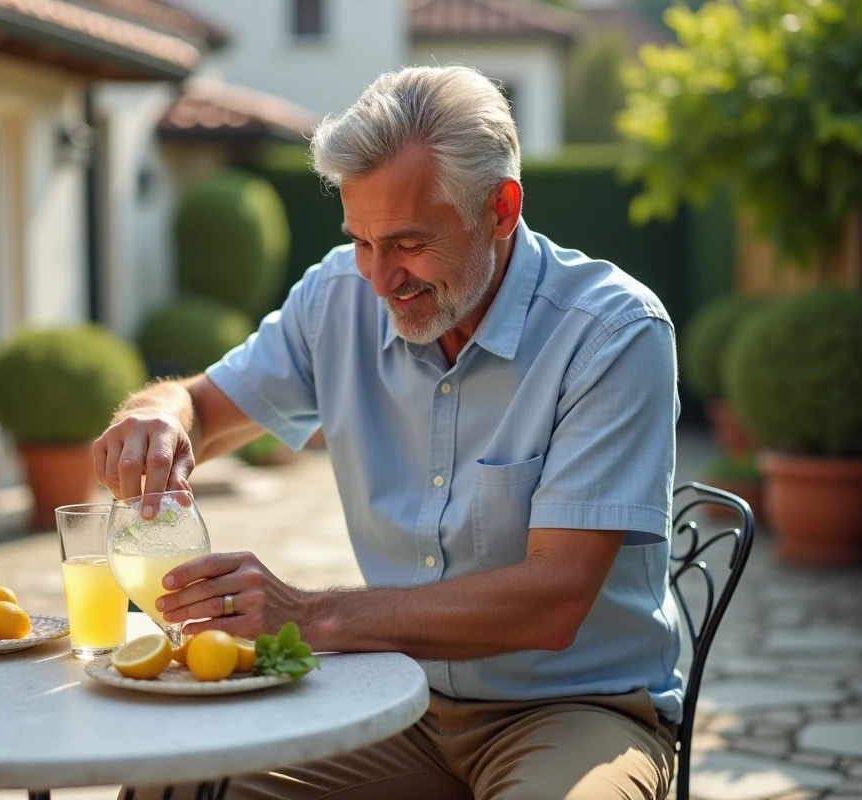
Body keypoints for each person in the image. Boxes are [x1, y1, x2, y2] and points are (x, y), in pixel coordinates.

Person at [97, 65, 681, 800]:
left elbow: (555, 600)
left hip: (576, 709)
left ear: (499, 208)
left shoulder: (612, 333)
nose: (379, 279)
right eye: (361, 242)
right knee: (171, 783)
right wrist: (156, 415)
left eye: (407, 242)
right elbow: (201, 410)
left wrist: (309, 615)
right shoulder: (336, 295)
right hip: (390, 699)